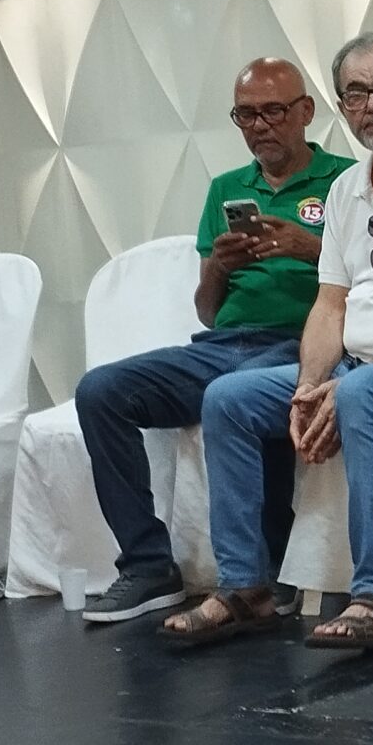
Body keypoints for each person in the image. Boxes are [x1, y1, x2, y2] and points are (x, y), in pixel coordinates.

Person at [168, 32, 373, 653]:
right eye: (355, 93)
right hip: (360, 366)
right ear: (342, 108)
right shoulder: (347, 190)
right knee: (228, 398)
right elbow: (330, 306)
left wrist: (354, 380)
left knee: (361, 394)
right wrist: (308, 387)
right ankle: (247, 586)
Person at [71, 58, 352, 624]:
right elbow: (208, 308)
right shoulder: (225, 188)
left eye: (273, 111)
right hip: (221, 345)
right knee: (100, 392)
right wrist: (220, 267)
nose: (260, 125)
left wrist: (309, 247)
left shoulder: (347, 181)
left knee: (242, 390)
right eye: (246, 115)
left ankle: (265, 571)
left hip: (303, 343)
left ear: (305, 112)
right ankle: (149, 566)